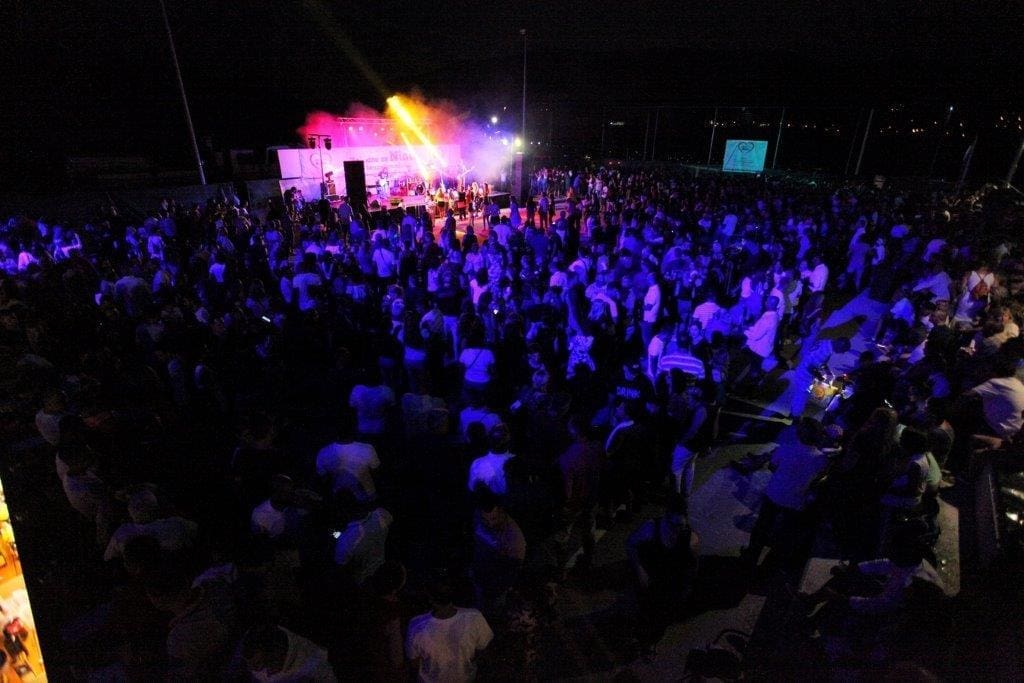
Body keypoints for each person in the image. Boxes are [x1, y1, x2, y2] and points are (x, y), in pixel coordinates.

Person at [740, 418, 828, 571]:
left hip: (774, 493)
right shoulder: (821, 459)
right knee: (783, 534)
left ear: (799, 433)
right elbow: (817, 479)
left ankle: (750, 557)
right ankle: (769, 567)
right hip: (795, 500)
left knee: (762, 526)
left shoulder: (786, 448)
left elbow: (773, 466)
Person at [625, 494, 699, 654]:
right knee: (643, 610)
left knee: (663, 618)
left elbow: (691, 566)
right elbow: (631, 545)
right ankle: (636, 635)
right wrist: (640, 570)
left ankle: (651, 642)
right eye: (674, 525)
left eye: (681, 526)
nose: (677, 531)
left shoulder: (690, 537)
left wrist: (685, 589)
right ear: (666, 516)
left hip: (671, 586)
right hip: (651, 579)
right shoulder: (651, 528)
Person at [405, 578, 493, 682]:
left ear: (430, 598)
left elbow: (414, 661)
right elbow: (483, 649)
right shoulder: (474, 617)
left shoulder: (416, 624)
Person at [471, 493, 526, 615]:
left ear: (502, 512)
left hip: (495, 586)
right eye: (485, 520)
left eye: (494, 519)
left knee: (494, 612)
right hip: (479, 576)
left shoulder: (514, 539)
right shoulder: (478, 515)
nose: (489, 523)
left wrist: (495, 589)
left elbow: (513, 570)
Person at [241, 624, 337, 682]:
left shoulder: (313, 665)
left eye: (259, 665)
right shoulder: (252, 640)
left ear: (277, 654)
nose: (252, 670)